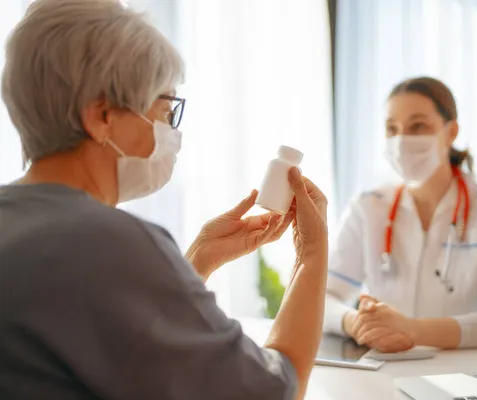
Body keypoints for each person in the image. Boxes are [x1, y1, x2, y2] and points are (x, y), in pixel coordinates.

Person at [0, 1, 328, 399]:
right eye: (165, 108)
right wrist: (310, 255)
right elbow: (276, 389)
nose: (171, 130)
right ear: (101, 115)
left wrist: (197, 262)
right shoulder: (109, 244)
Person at [323, 77, 477, 352]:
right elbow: (322, 298)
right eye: (392, 129)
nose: (402, 140)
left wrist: (414, 330)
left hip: (461, 375)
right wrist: (354, 322)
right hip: (383, 367)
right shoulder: (367, 208)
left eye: (418, 126)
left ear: (451, 131)